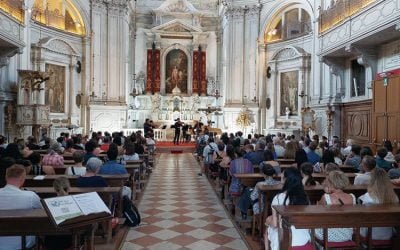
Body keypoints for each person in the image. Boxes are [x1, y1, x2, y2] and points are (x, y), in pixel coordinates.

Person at [264, 168, 311, 250]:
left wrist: (268, 220)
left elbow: (275, 224)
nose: (281, 175)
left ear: (287, 179)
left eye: (283, 174)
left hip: (286, 238)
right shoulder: (305, 197)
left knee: (267, 230)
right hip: (303, 237)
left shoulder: (279, 197)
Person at [0, 165, 42, 250]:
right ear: (23, 179)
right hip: (23, 243)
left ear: (6, 177)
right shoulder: (31, 196)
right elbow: (43, 211)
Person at [358, 168, 399, 242]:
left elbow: (363, 218)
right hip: (388, 234)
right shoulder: (394, 197)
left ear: (372, 180)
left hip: (369, 233)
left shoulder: (368, 196)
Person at [315, 171, 355, 243]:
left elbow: (317, 213)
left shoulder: (326, 197)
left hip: (327, 234)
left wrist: (326, 193)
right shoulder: (352, 197)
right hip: (347, 234)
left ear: (331, 182)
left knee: (309, 228)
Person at [44, 177, 73, 250]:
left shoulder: (48, 203)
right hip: (71, 240)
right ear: (69, 188)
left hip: (51, 241)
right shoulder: (75, 202)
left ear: (54, 189)